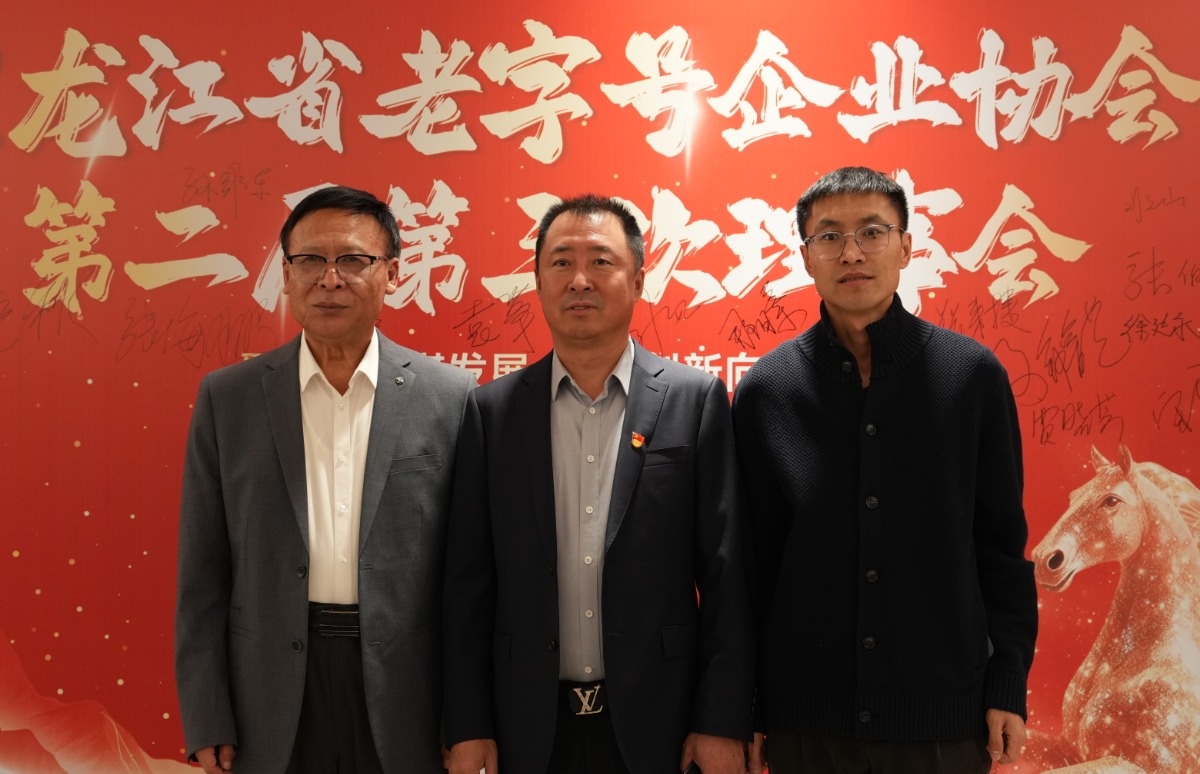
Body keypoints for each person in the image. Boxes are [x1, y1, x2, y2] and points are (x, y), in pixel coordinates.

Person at [731, 167, 1038, 774]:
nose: (851, 252)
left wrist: (1007, 682)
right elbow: (749, 568)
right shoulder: (768, 390)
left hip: (944, 722)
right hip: (806, 725)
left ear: (906, 247)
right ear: (806, 257)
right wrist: (746, 705)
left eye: (872, 232)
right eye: (829, 236)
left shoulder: (971, 376)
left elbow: (1001, 548)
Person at [442, 194, 755, 774]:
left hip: (660, 721)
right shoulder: (492, 412)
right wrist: (468, 724)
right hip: (526, 726)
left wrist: (720, 719)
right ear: (538, 282)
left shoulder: (694, 401)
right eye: (561, 262)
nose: (579, 280)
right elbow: (467, 585)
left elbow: (726, 574)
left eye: (601, 261)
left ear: (637, 280)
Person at [174, 185, 476, 774]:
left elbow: (469, 582)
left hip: (406, 690)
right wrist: (207, 714)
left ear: (392, 273)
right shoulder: (229, 399)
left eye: (353, 260)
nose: (329, 279)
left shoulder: (450, 397)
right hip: (268, 691)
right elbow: (202, 575)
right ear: (287, 276)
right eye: (310, 260)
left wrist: (466, 720)